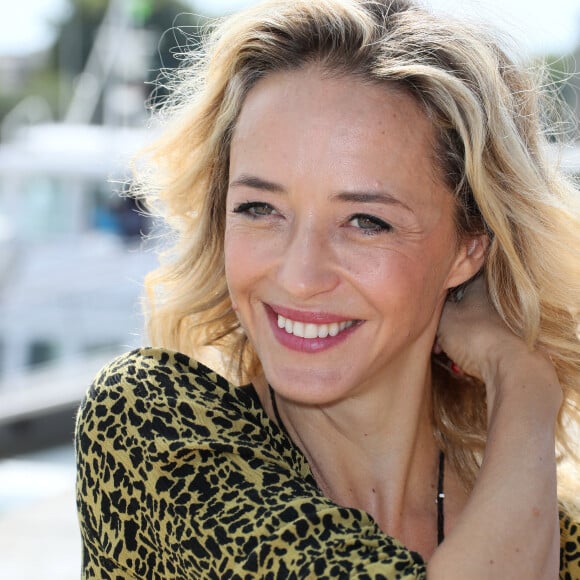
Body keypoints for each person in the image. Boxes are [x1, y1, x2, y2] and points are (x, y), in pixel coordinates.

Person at [75, 0, 580, 577]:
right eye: (260, 208)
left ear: (469, 246)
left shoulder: (549, 532)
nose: (298, 276)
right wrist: (526, 383)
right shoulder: (157, 429)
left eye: (366, 221)